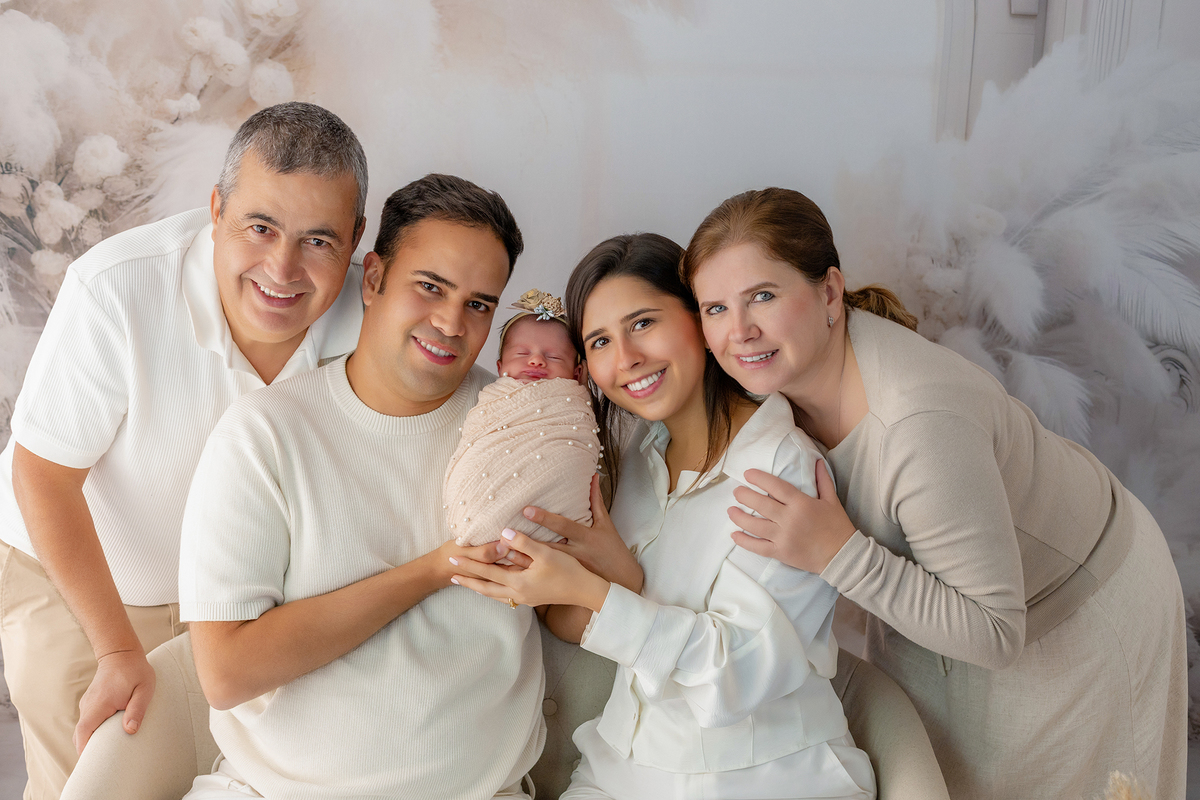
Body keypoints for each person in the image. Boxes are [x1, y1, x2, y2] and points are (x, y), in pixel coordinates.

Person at [680, 187, 1188, 800]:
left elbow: (995, 633)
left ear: (830, 292)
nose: (740, 331)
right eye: (714, 308)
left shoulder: (919, 423)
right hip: (951, 604)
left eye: (763, 295)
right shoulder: (780, 374)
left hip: (1079, 602)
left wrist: (835, 553)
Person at [0, 102, 368, 800]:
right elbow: (42, 475)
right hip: (72, 579)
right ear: (216, 209)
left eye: (319, 241)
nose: (282, 268)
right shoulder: (116, 287)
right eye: (259, 228)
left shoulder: (368, 319)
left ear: (356, 242)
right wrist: (115, 650)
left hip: (234, 604)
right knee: (85, 782)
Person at [453, 234, 876, 800]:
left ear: (698, 319)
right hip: (620, 767)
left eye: (644, 323)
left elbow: (738, 675)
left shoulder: (780, 469)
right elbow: (569, 617)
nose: (625, 358)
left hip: (763, 777)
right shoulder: (635, 456)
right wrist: (613, 585)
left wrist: (603, 594)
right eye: (600, 340)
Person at [177, 174, 546, 799]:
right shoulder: (265, 434)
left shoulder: (517, 422)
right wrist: (432, 571)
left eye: (479, 304)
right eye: (430, 287)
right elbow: (227, 672)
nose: (452, 323)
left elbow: (574, 605)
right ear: (372, 279)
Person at [445, 289, 600, 549]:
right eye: (522, 353)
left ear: (577, 373)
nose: (537, 360)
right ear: (499, 368)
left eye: (553, 357)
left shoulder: (573, 406)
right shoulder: (493, 398)